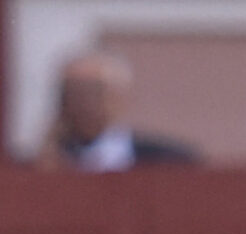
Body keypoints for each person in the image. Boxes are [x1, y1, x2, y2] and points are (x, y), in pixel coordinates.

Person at [40, 49, 197, 168]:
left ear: (118, 97)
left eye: (94, 91)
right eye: (72, 92)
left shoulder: (165, 158)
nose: (84, 102)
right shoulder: (51, 159)